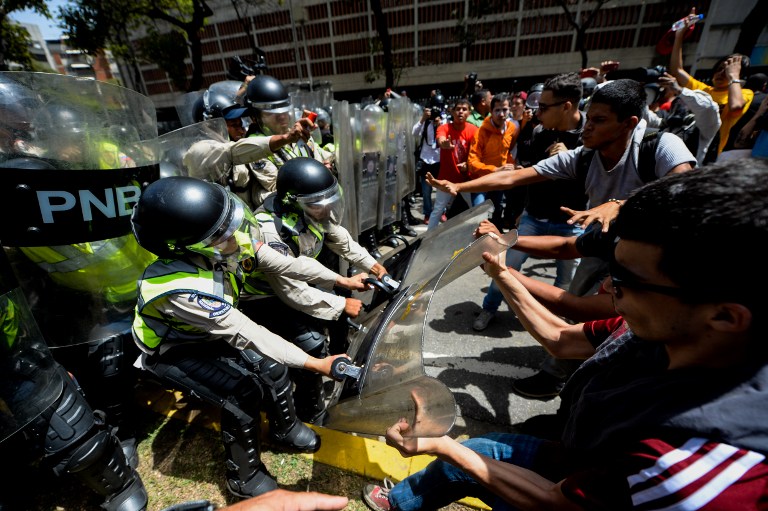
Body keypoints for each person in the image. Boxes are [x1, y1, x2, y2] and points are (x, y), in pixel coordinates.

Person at [364, 159, 768, 511]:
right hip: (582, 458)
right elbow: (561, 338)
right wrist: (503, 274)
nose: (608, 287)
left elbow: (554, 503)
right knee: (478, 452)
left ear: (726, 317)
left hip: (576, 494)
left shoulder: (687, 469)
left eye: (628, 279)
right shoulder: (662, 329)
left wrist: (444, 446)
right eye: (613, 269)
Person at [431, 78, 696, 397]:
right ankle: (560, 377)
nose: (587, 127)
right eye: (589, 115)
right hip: (608, 246)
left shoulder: (661, 145)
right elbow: (517, 180)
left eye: (599, 120)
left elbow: (686, 194)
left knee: (603, 326)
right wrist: (461, 189)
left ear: (629, 124)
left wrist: (621, 206)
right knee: (582, 313)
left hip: (655, 267)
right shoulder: (583, 158)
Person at [130, 176, 367, 498]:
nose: (235, 238)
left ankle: (285, 430)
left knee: (273, 368)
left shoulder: (220, 247)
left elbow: (288, 264)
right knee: (242, 394)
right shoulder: (181, 290)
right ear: (183, 246)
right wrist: (317, 363)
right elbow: (247, 332)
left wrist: (342, 279)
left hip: (206, 335)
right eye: (220, 234)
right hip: (173, 348)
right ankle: (244, 478)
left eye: (230, 224)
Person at [243, 157, 389, 422]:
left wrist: (374, 265)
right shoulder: (272, 229)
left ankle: (339, 361)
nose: (326, 209)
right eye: (318, 204)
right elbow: (289, 289)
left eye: (328, 201)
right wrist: (339, 304)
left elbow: (341, 239)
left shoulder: (311, 210)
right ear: (292, 201)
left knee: (341, 312)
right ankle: (310, 410)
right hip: (263, 297)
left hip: (299, 284)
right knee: (311, 343)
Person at [473, 73, 588, 332]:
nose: (538, 112)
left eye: (544, 107)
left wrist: (573, 159)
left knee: (565, 282)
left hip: (570, 223)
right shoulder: (538, 131)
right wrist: (519, 212)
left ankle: (554, 326)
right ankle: (489, 307)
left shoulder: (590, 136)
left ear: (566, 107)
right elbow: (526, 174)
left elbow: (598, 177)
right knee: (502, 265)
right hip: (534, 217)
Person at [670, 8, 753, 156]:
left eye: (727, 71)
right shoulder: (705, 90)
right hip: (687, 149)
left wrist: (733, 76)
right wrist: (679, 35)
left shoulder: (745, 93)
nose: (721, 73)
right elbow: (677, 70)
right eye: (719, 68)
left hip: (711, 156)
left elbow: (735, 107)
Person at [466, 92, 520, 230]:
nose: (501, 114)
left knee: (496, 213)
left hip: (499, 180)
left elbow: (507, 152)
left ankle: (493, 245)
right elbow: (472, 163)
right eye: (497, 110)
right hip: (481, 180)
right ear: (491, 111)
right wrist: (495, 169)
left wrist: (512, 166)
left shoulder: (511, 128)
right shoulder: (481, 132)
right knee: (479, 215)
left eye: (505, 110)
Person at [427, 99, 478, 231]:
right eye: (458, 109)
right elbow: (441, 138)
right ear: (452, 111)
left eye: (464, 109)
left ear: (469, 113)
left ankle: (477, 237)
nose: (460, 111)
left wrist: (468, 164)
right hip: (446, 179)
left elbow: (477, 153)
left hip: (466, 180)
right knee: (438, 210)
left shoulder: (474, 130)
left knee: (475, 209)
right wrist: (443, 143)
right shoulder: (444, 128)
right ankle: (427, 239)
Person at [412, 94, 446, 225]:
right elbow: (414, 132)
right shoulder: (425, 121)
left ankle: (442, 212)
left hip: (439, 160)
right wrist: (422, 119)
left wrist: (440, 125)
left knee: (442, 189)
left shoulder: (445, 121)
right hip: (426, 160)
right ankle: (427, 213)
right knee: (426, 191)